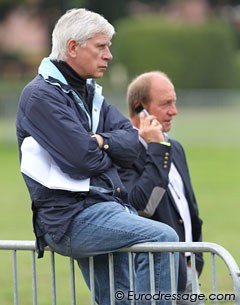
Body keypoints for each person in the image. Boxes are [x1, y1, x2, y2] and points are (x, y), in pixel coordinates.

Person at [16, 9, 179, 305]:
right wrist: (104, 151)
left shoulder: (91, 94)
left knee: (114, 300)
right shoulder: (40, 96)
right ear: (73, 48)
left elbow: (130, 141)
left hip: (106, 210)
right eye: (101, 46)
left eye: (109, 47)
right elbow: (83, 162)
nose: (109, 55)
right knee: (164, 239)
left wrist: (101, 141)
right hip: (71, 220)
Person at [118, 71, 204, 302]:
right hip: (155, 276)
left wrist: (195, 261)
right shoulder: (124, 152)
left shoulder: (174, 147)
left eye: (174, 102)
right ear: (139, 108)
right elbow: (144, 206)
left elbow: (189, 209)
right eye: (166, 104)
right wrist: (156, 149)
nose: (174, 111)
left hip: (188, 271)